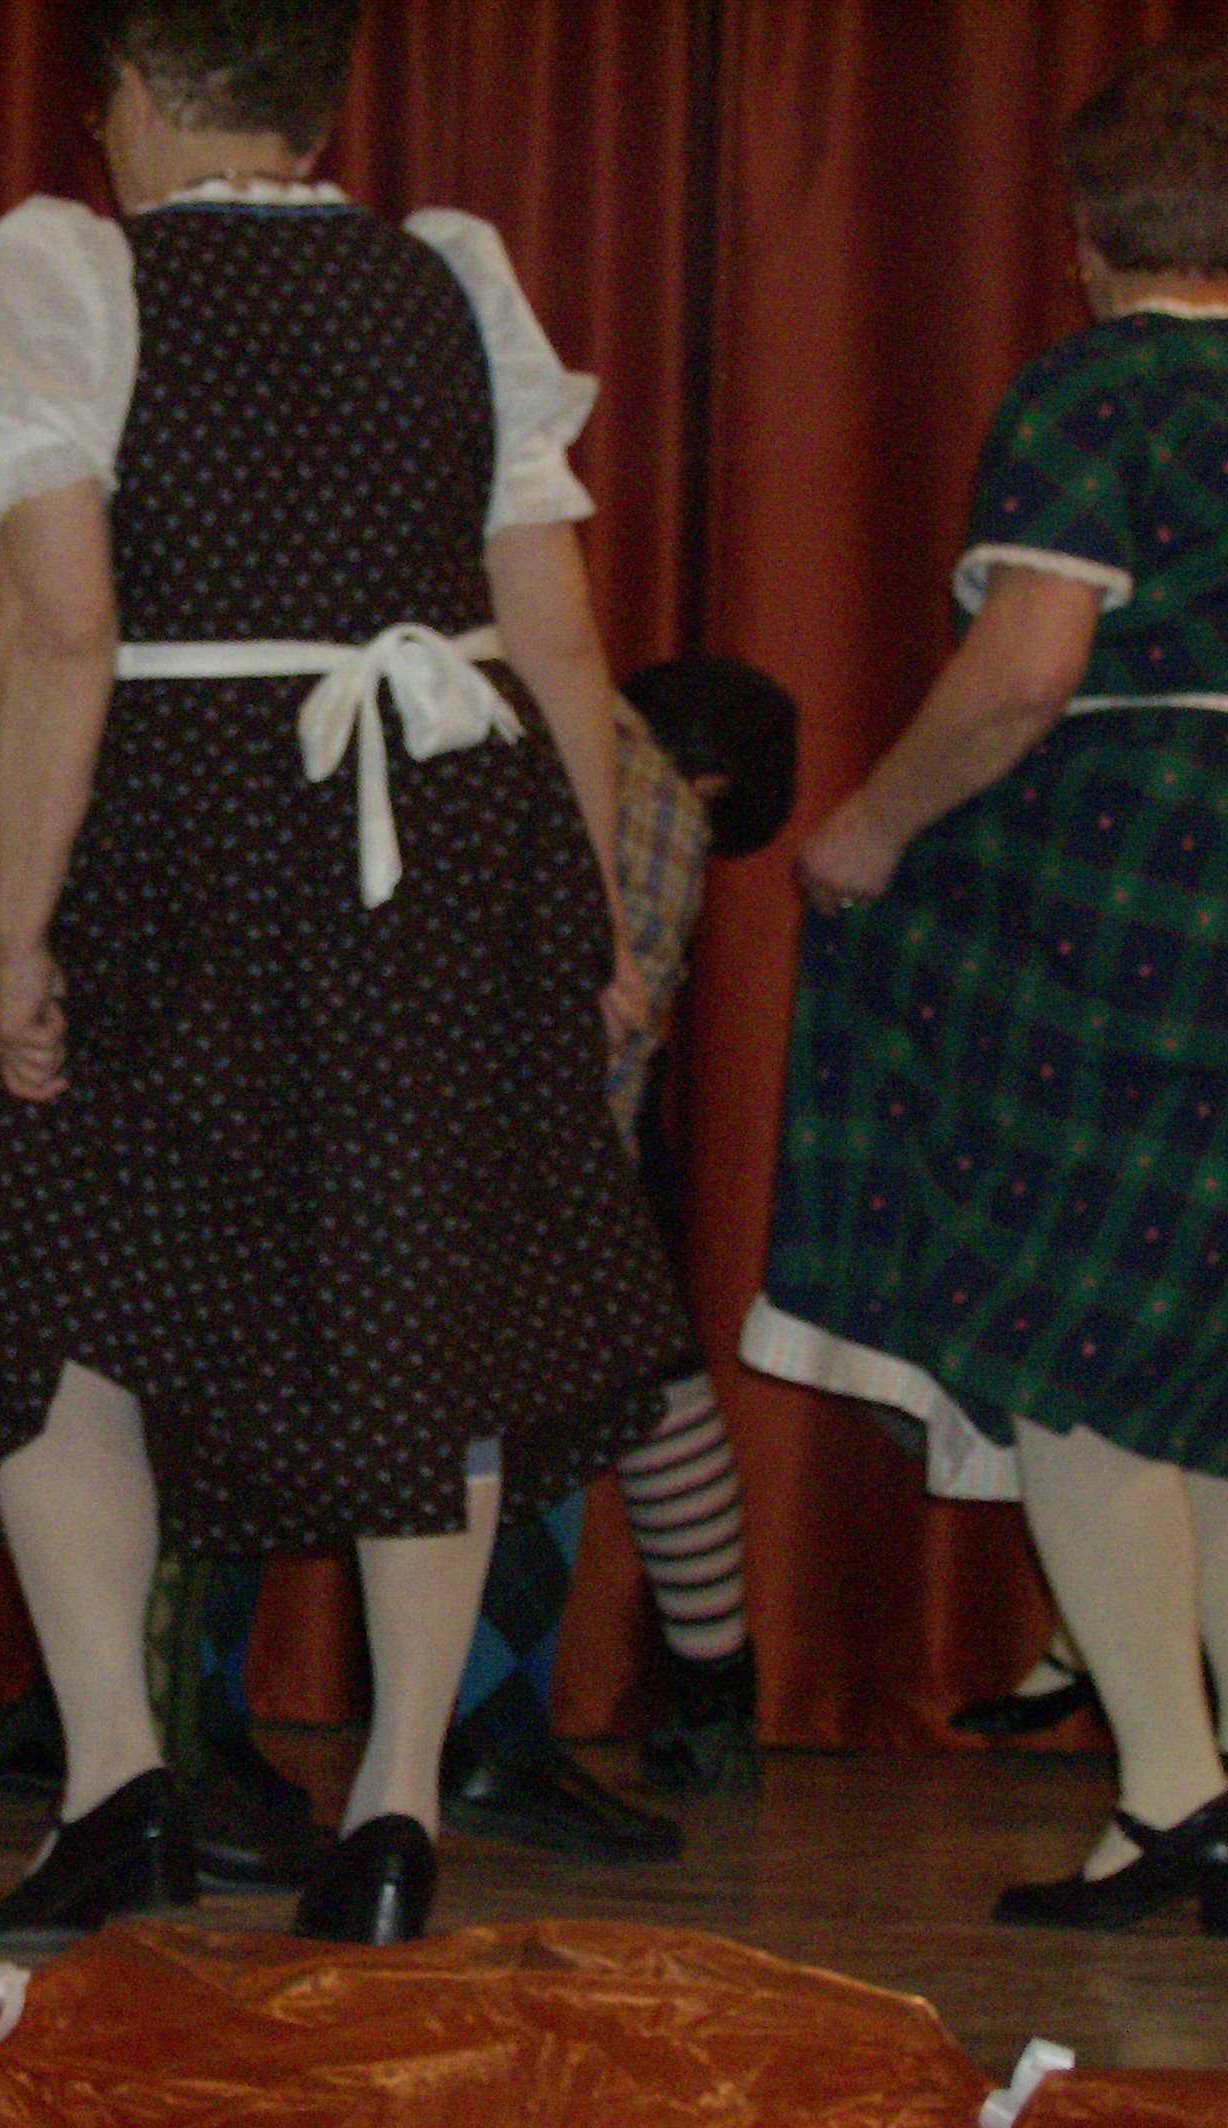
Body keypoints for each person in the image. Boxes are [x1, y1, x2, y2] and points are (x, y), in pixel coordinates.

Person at [0, 0, 690, 1944]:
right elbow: (559, 632)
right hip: (444, 830)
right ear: (312, 100)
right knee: (423, 1293)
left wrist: (20, 922)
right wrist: (599, 917)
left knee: (50, 1292)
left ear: (128, 87)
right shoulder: (449, 277)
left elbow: (63, 624)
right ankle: (395, 1810)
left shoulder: (66, 269)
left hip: (184, 827)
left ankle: (118, 1787)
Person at [745, 38, 1228, 1932]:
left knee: (1064, 1337)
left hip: (1133, 895)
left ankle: (1172, 1794)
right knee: (1205, 1348)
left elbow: (1029, 667)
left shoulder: (1095, 388)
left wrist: (868, 825)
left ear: (1085, 230)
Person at [440, 653, 796, 1860]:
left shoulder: (511, 702)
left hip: (353, 1091)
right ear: (719, 782)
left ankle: (155, 1722)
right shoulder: (649, 798)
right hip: (501, 1126)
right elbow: (596, 1047)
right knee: (577, 1381)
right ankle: (513, 1727)